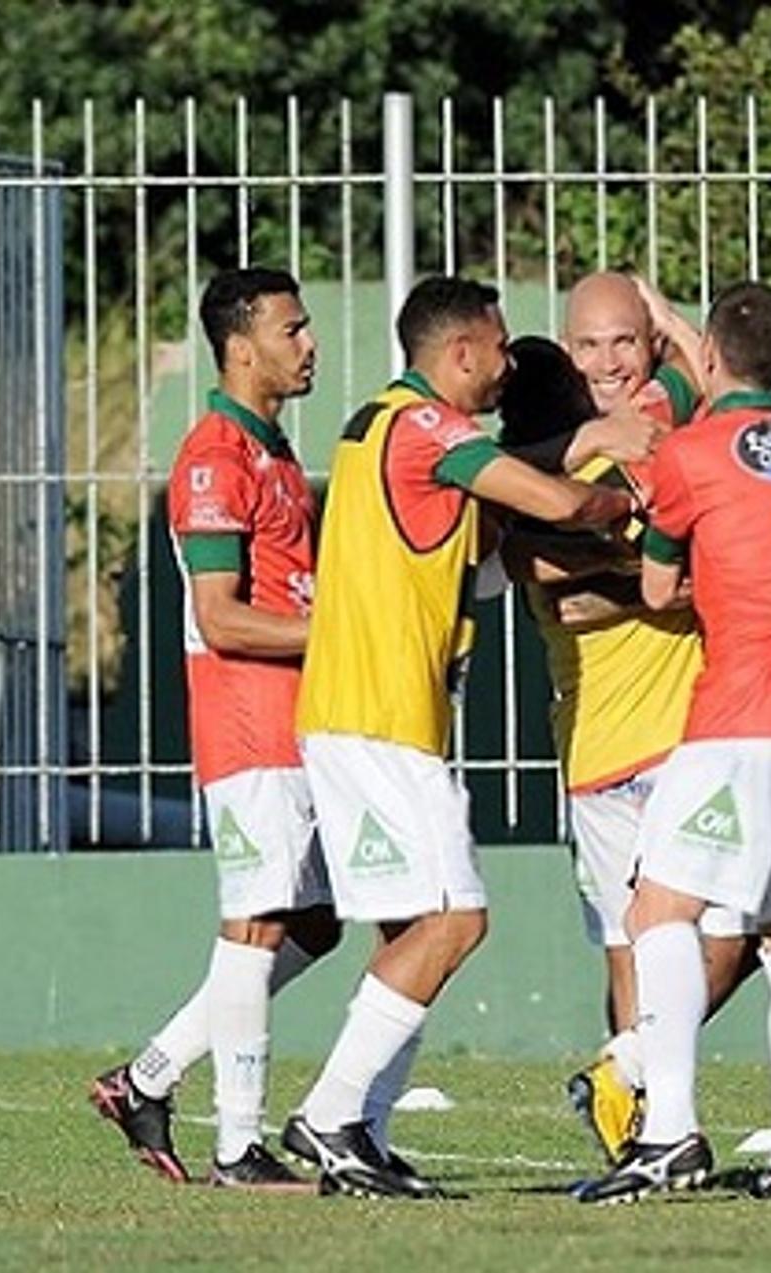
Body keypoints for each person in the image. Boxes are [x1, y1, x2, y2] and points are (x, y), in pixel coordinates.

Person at [282, 276, 634, 1199]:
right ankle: (328, 1113)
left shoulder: (379, 428)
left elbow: (495, 539)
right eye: (500, 344)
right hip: (380, 716)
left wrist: (585, 456)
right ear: (462, 351)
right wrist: (625, 500)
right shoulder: (429, 429)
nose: (509, 362)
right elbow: (552, 504)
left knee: (411, 929)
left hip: (369, 713)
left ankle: (366, 1129)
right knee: (457, 919)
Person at [575, 281, 771, 1203]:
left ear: (704, 359)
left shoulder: (692, 456)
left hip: (740, 717)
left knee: (659, 912)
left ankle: (671, 1131)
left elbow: (661, 590)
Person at [90, 267, 341, 1188]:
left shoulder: (272, 453)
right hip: (247, 723)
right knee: (260, 920)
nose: (308, 343)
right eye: (293, 328)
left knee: (316, 919)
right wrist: (348, 632)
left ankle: (148, 1076)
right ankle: (239, 1146)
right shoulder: (213, 458)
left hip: (297, 721)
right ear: (241, 346)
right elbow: (225, 617)